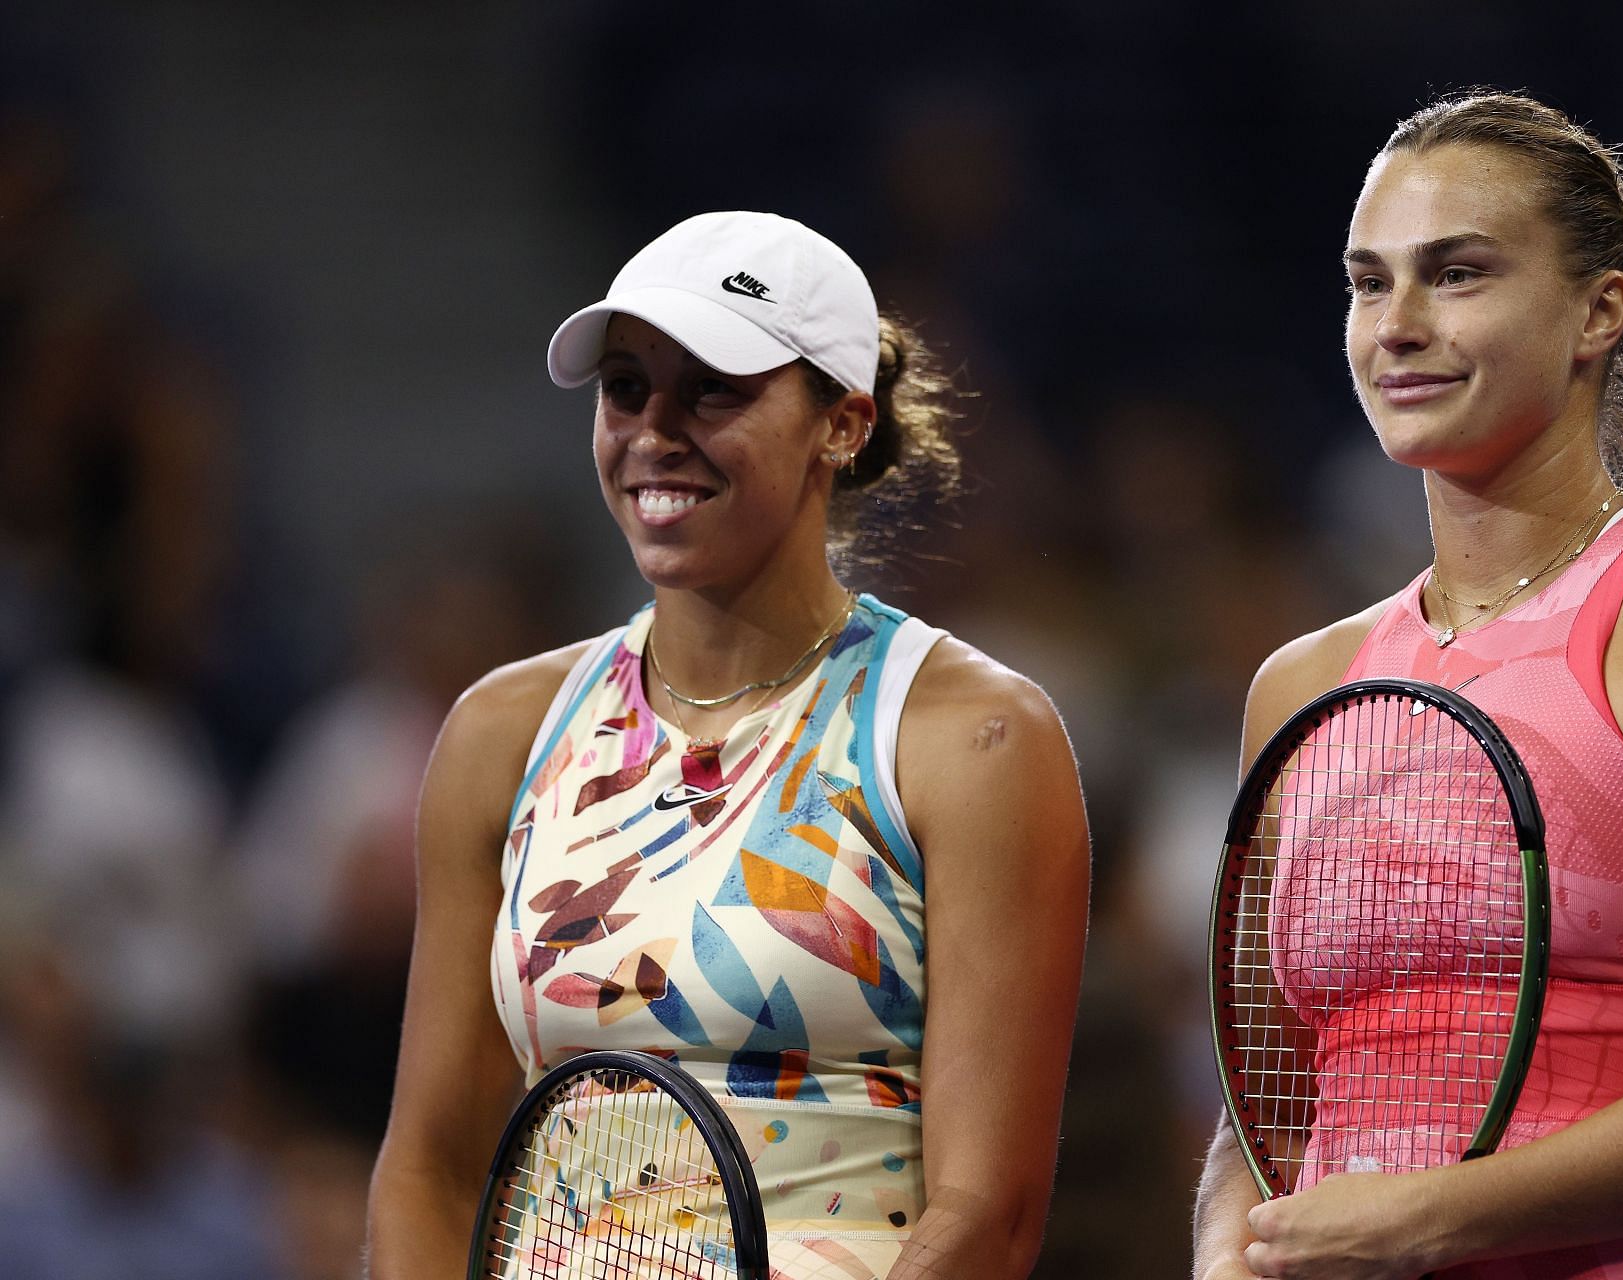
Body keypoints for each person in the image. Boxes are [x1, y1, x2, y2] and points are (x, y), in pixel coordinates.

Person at [1191, 93, 1623, 1280]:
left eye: (1455, 274)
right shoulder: (1299, 684)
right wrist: (1228, 1250)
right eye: (1368, 283)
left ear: (1598, 309)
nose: (1396, 325)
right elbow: (1269, 1102)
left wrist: (1435, 1215)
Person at [367, 211, 1091, 1279]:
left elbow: (988, 1212)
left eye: (713, 389)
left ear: (842, 424)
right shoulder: (500, 731)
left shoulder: (973, 737)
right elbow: (427, 1165)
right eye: (625, 388)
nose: (654, 429)